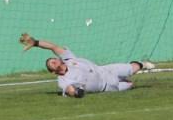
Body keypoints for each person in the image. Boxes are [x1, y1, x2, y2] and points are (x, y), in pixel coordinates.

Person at [18, 33, 155, 97]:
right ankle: (129, 81)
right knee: (130, 85)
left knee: (133, 68)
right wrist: (76, 93)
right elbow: (70, 89)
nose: (53, 62)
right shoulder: (63, 81)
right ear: (52, 71)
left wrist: (35, 43)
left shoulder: (69, 59)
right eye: (51, 65)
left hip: (106, 70)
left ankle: (143, 63)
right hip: (106, 87)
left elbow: (53, 47)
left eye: (53, 60)